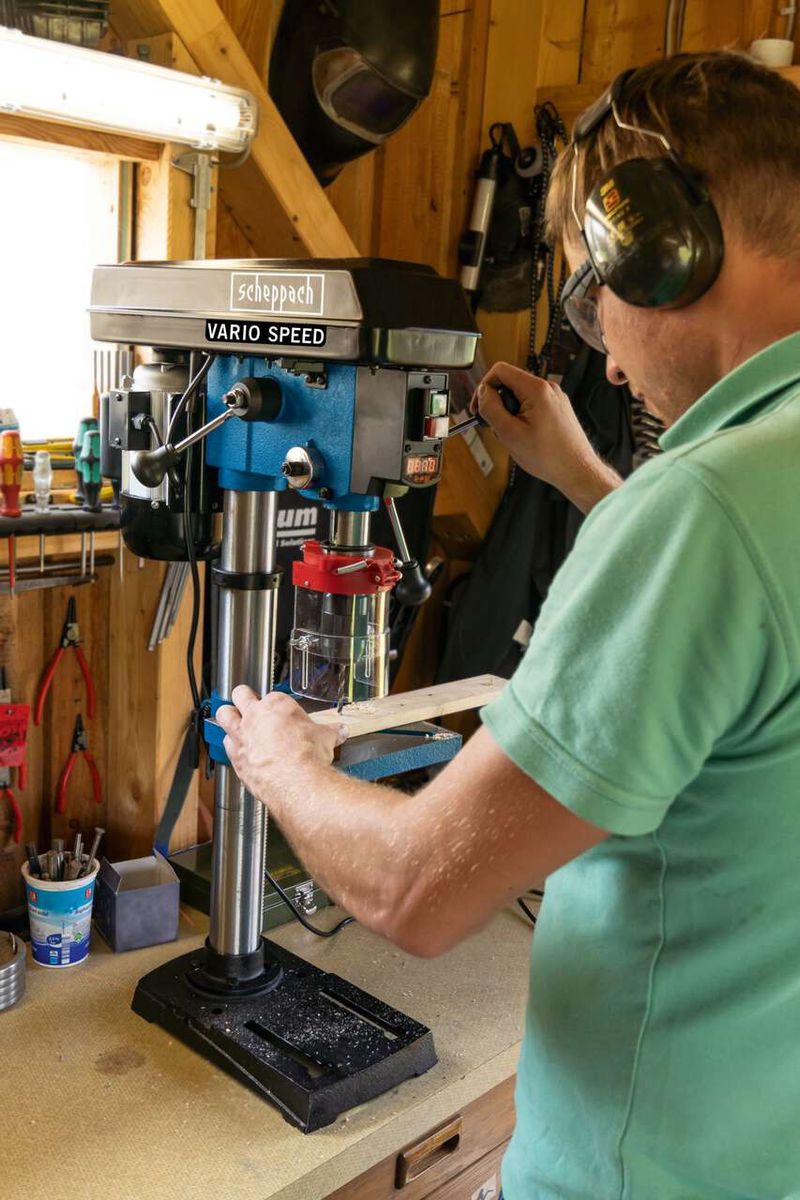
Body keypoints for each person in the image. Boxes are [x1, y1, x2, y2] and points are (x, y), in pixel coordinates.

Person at [217, 51, 800, 1199]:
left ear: (661, 247)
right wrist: (588, 480)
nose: (597, 344)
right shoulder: (739, 497)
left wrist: (278, 761)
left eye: (590, 291)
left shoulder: (700, 512)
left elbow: (416, 894)